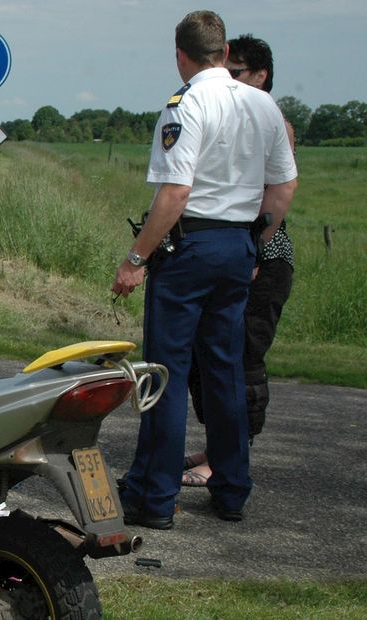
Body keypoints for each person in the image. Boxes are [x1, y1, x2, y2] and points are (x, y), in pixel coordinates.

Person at [111, 11, 297, 528]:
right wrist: (253, 243)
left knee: (166, 373)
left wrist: (134, 260)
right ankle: (232, 488)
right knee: (225, 371)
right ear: (224, 49)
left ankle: (154, 496)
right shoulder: (263, 106)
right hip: (239, 245)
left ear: (181, 55)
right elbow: (282, 189)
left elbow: (175, 193)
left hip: (190, 247)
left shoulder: (186, 104)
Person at [182, 34, 297, 487]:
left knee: (242, 356)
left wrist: (255, 244)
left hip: (261, 258)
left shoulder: (272, 121)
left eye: (237, 73)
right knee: (204, 356)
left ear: (261, 76)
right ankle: (218, 446)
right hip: (232, 253)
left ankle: (232, 457)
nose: (227, 79)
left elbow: (282, 193)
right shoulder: (235, 113)